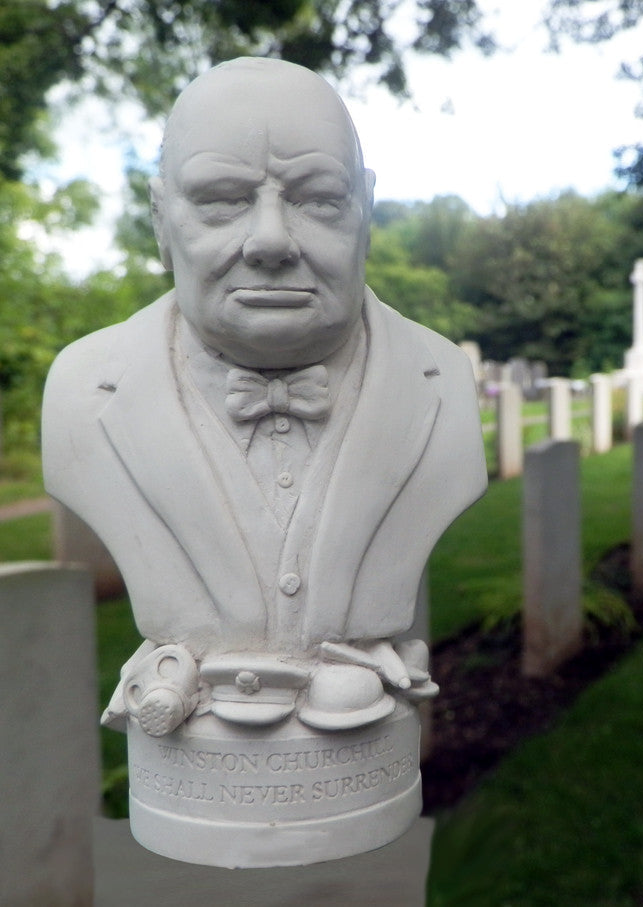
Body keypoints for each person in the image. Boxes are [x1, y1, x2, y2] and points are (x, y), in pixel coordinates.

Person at [43, 57, 486, 734]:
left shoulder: (442, 380)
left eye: (318, 198)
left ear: (365, 210)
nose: (271, 240)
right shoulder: (82, 389)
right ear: (162, 220)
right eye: (221, 199)